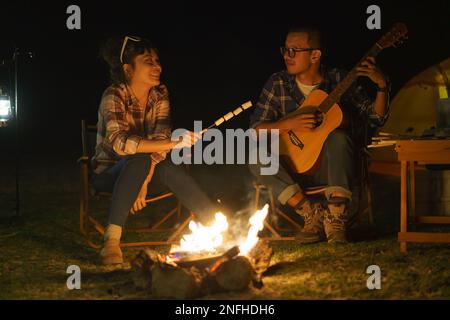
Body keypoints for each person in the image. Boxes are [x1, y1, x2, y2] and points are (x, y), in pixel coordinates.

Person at [249, 27, 390, 244]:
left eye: (294, 50)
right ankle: (311, 213)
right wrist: (287, 123)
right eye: (285, 50)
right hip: (290, 169)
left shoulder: (339, 80)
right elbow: (255, 130)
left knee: (339, 138)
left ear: (315, 55)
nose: (287, 56)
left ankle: (335, 219)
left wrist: (382, 85)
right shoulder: (277, 82)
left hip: (332, 167)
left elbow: (376, 118)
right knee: (253, 156)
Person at [92, 36, 218, 265]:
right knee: (138, 158)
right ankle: (111, 241)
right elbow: (122, 143)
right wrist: (173, 143)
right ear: (128, 69)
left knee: (168, 166)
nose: (157, 66)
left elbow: (160, 141)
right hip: (110, 174)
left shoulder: (160, 94)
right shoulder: (114, 95)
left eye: (158, 61)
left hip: (145, 173)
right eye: (148, 61)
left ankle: (216, 225)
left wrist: (144, 179)